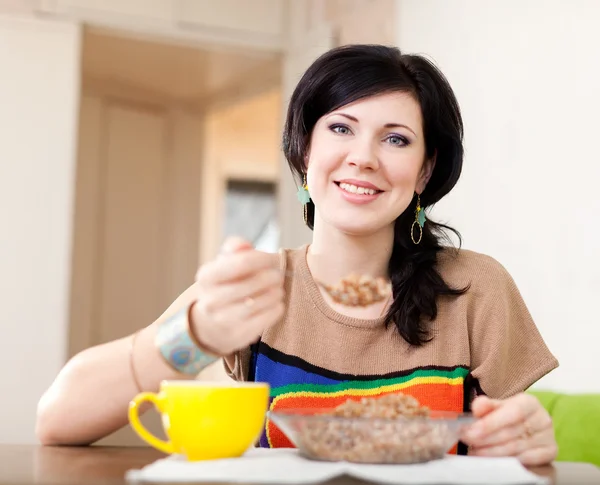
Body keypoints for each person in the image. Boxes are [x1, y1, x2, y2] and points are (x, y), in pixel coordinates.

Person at [36, 44, 558, 465]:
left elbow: (509, 445)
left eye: (395, 139)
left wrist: (529, 439)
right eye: (340, 128)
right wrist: (194, 335)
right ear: (305, 150)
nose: (363, 157)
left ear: (424, 171)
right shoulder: (257, 284)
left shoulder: (477, 288)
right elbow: (57, 419)